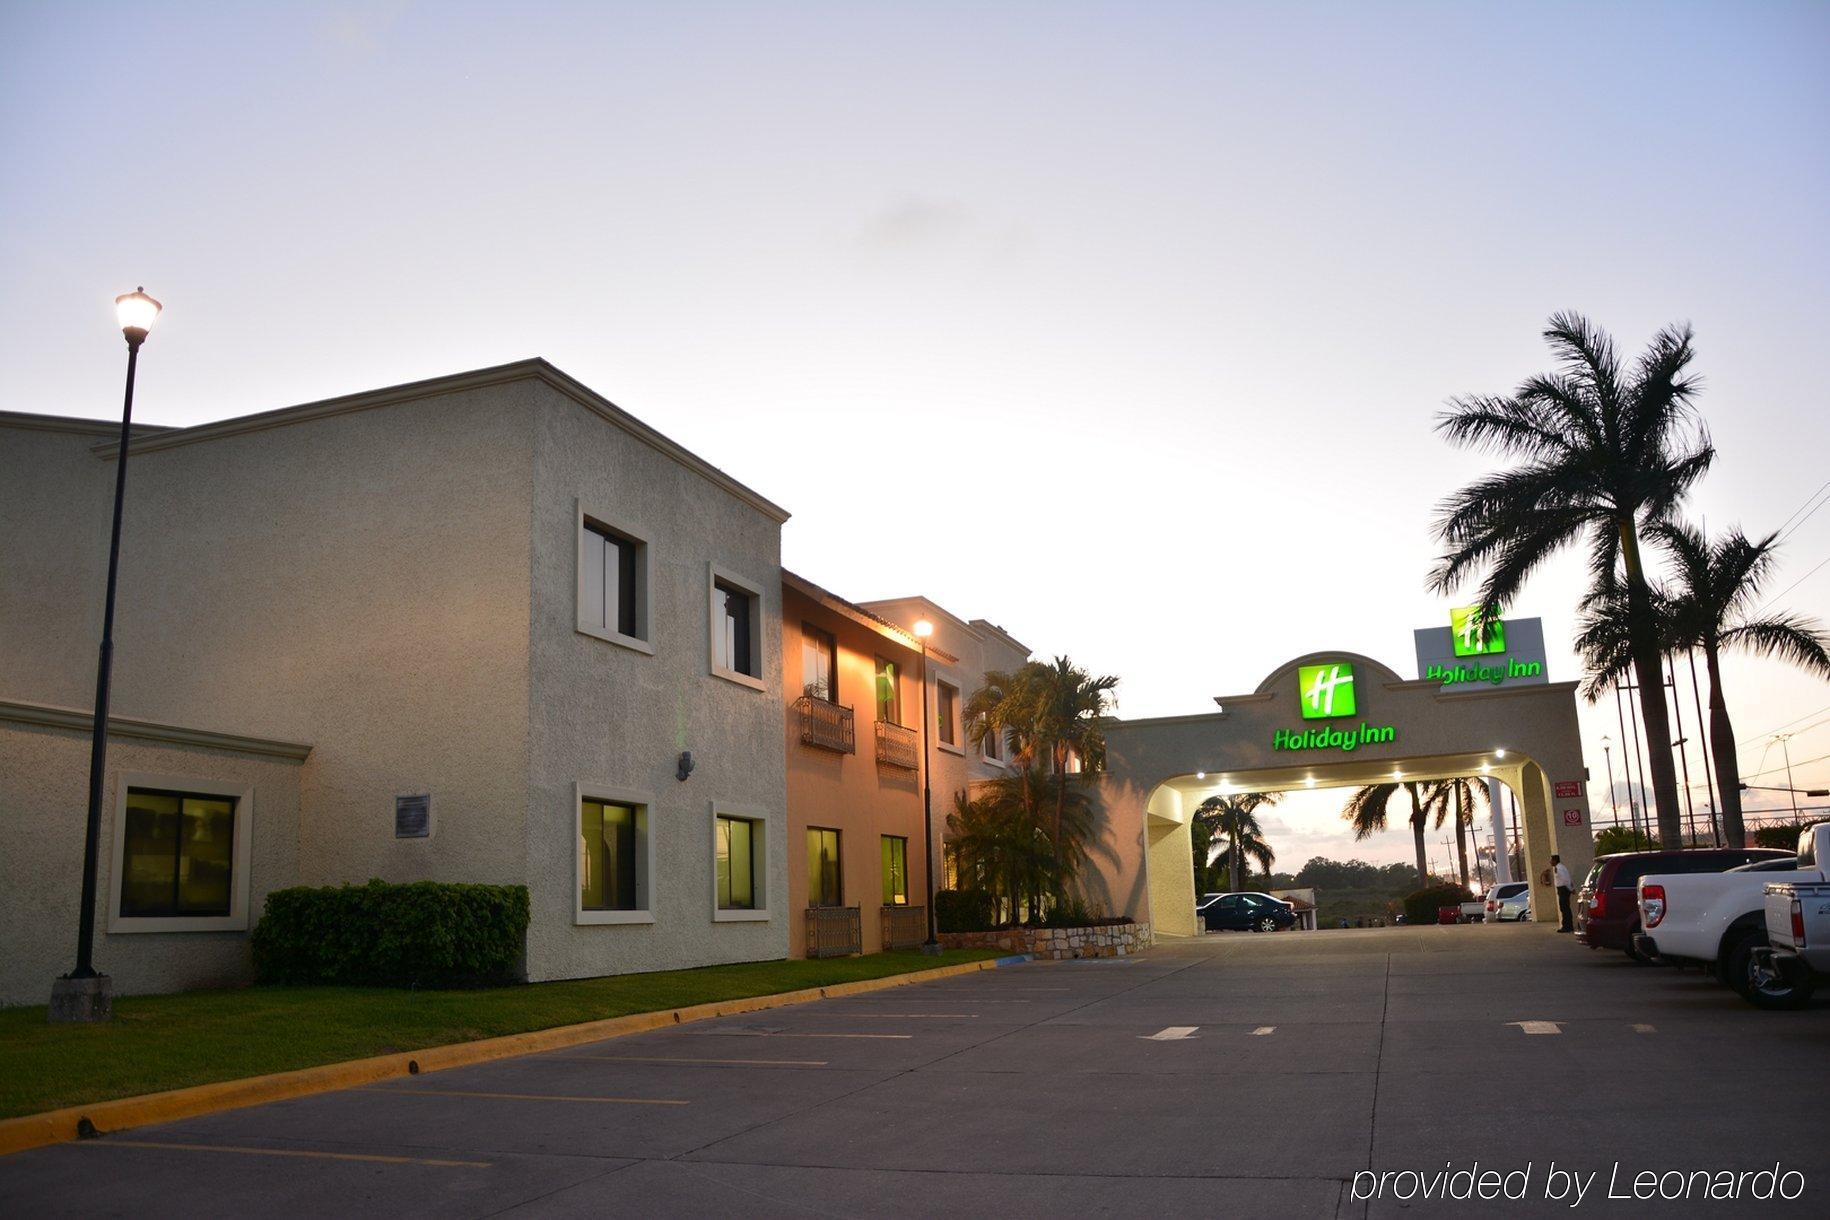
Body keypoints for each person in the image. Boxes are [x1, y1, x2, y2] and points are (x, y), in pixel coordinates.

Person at [1540, 854, 1574, 932]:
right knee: (1564, 908)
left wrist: (1571, 889)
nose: (1550, 862)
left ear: (1555, 861)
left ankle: (1567, 927)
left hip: (1563, 889)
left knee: (1565, 908)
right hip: (1561, 889)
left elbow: (1566, 879)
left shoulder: (1560, 868)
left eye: (1551, 860)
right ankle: (1568, 926)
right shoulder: (1558, 867)